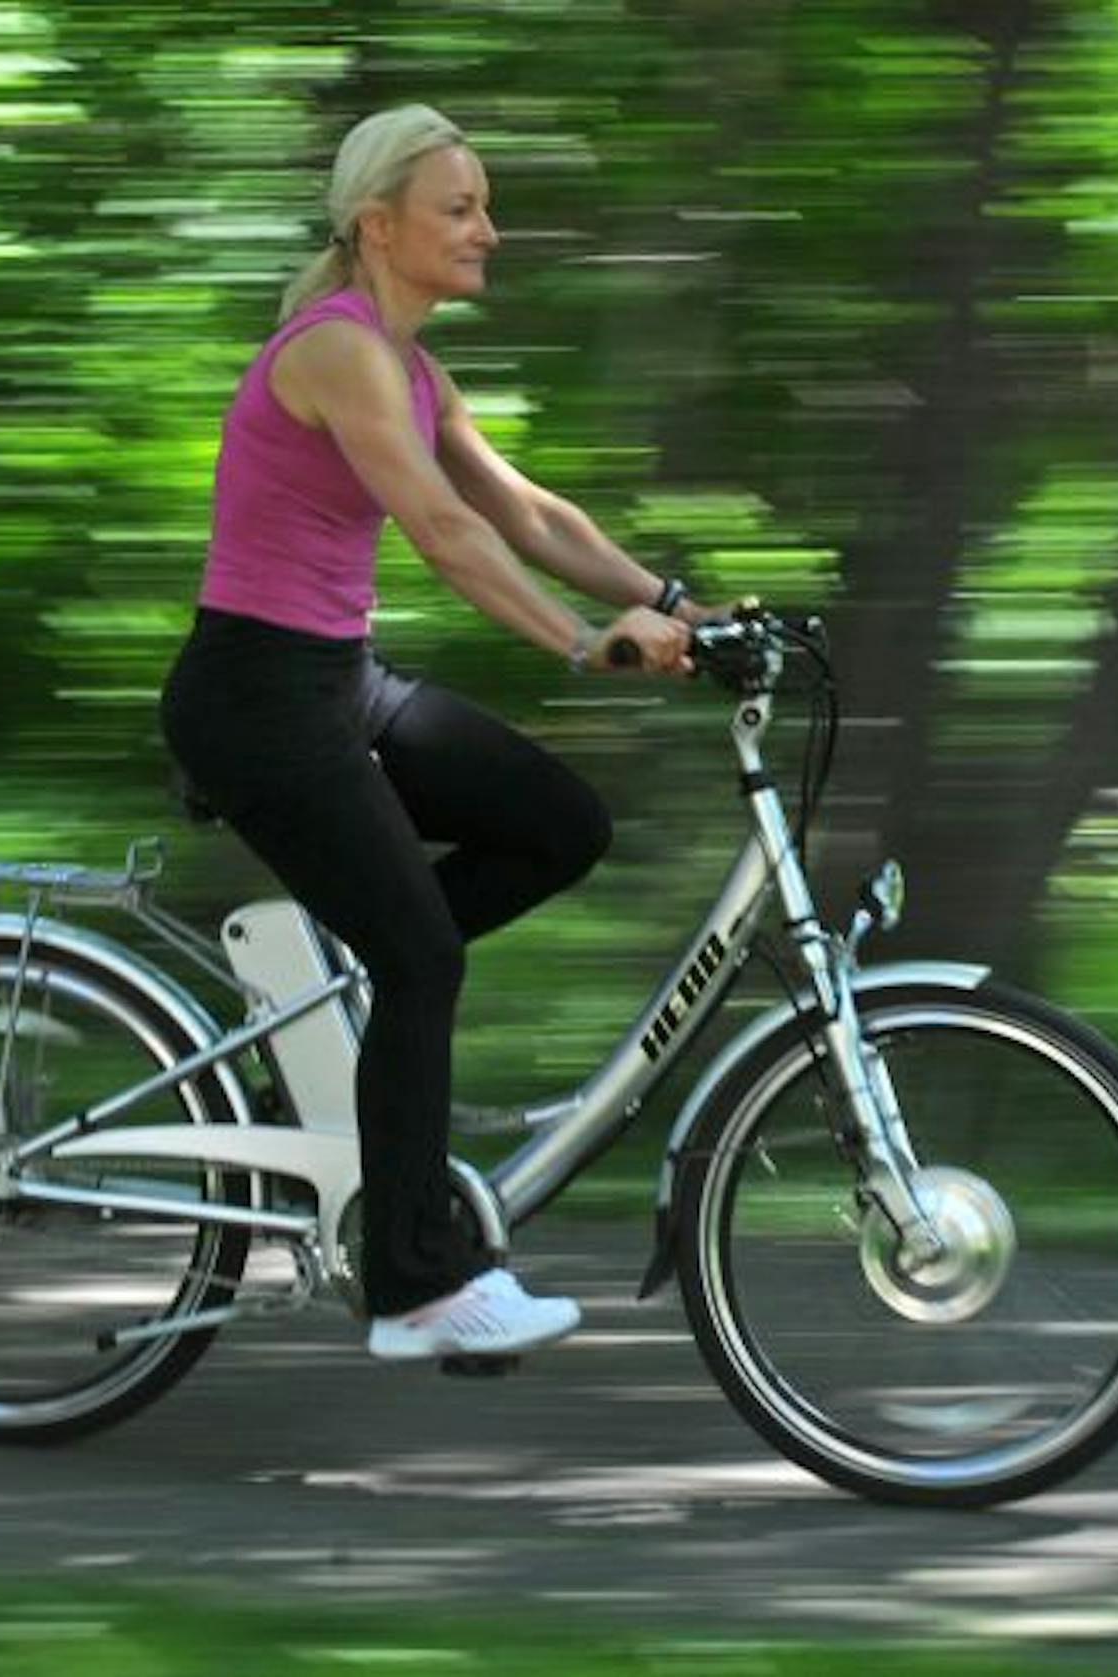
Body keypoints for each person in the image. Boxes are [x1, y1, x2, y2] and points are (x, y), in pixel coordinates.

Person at [160, 104, 710, 1364]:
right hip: (253, 697)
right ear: (378, 224)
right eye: (459, 208)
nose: (487, 230)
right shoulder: (338, 350)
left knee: (560, 825)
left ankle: (361, 991)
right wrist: (580, 643)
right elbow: (444, 534)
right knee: (423, 961)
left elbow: (522, 510)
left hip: (335, 681)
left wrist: (678, 604)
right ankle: (414, 1289)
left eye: (483, 205)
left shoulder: (410, 366)